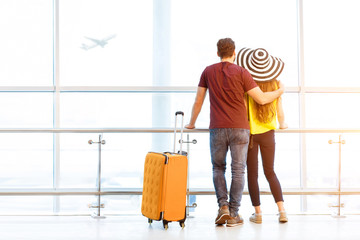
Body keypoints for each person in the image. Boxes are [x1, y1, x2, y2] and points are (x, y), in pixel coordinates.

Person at [185, 38, 284, 227]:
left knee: (218, 168)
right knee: (238, 171)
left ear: (217, 53)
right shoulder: (242, 72)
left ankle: (223, 207)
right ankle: (233, 214)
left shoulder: (208, 71)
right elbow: (262, 99)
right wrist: (279, 92)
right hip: (240, 128)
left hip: (217, 127)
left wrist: (191, 123)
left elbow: (199, 100)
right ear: (235, 53)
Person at [237, 47, 288, 223]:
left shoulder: (247, 84)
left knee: (252, 174)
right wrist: (283, 124)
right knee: (270, 171)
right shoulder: (275, 85)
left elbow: (244, 110)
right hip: (269, 133)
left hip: (251, 134)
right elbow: (280, 111)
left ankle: (258, 214)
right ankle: (282, 211)